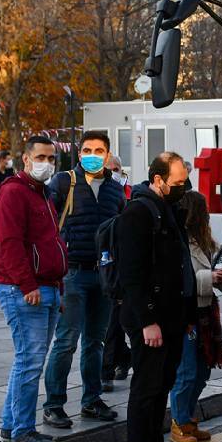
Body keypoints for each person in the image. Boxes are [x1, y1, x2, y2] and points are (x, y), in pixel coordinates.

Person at [118, 152, 196, 442]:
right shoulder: (138, 212)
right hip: (150, 320)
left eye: (185, 182)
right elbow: (132, 275)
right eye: (178, 182)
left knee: (162, 383)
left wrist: (187, 314)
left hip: (173, 316)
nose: (183, 188)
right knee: (147, 387)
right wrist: (147, 320)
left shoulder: (169, 209)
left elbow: (179, 266)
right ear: (158, 179)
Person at [41, 131, 125, 429]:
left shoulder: (116, 190)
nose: (93, 154)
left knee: (95, 342)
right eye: (87, 149)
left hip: (103, 275)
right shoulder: (64, 182)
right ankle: (53, 405)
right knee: (66, 341)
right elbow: (45, 222)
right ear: (79, 154)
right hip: (72, 274)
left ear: (107, 154)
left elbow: (121, 232)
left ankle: (91, 399)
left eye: (99, 150)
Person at [0, 136, 66, 442]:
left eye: (50, 158)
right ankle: (22, 431)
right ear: (25, 158)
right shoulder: (13, 193)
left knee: (28, 362)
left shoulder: (42, 193)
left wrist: (55, 287)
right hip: (24, 290)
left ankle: (10, 428)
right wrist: (28, 286)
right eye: (40, 157)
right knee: (29, 363)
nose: (46, 163)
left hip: (47, 287)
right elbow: (10, 245)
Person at [168, 191, 222, 442]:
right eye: (203, 210)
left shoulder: (205, 241)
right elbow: (176, 281)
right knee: (186, 372)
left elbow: (213, 276)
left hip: (206, 311)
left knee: (203, 370)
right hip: (186, 313)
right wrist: (210, 278)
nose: (206, 215)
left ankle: (188, 418)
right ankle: (179, 422)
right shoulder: (178, 241)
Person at [100, 155, 132, 391]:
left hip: (118, 268)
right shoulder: (98, 196)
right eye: (110, 170)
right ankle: (123, 358)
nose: (114, 173)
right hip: (100, 264)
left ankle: (106, 371)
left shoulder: (128, 194)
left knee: (113, 324)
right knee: (112, 324)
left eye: (117, 169)